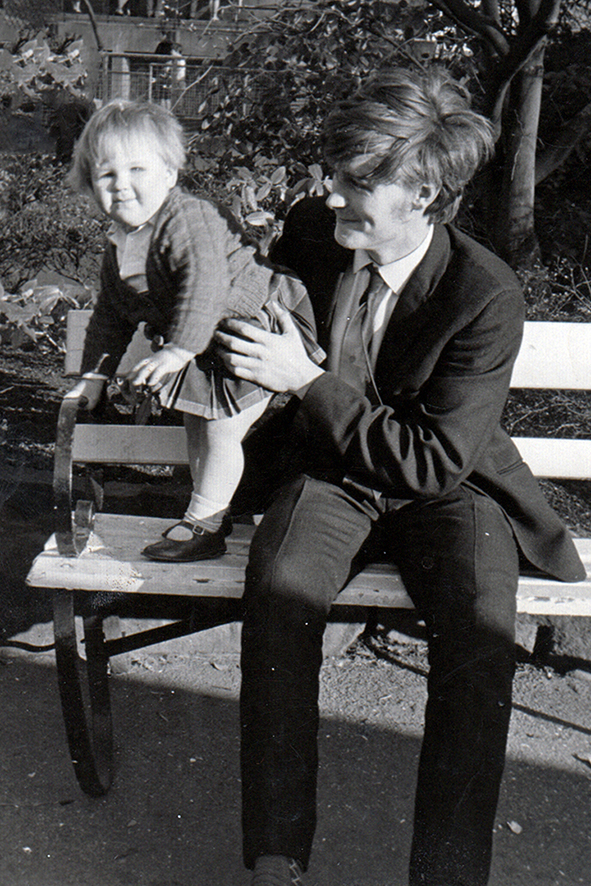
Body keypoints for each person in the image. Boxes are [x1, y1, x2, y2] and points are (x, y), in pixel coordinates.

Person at [215, 66, 586, 886]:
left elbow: (431, 460)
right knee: (276, 598)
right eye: (336, 175)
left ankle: (447, 873)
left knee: (481, 635)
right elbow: (247, 318)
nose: (333, 193)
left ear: (422, 193)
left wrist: (307, 383)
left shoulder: (483, 293)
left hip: (446, 488)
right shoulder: (314, 231)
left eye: (358, 182)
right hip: (333, 473)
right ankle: (275, 862)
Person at [66, 99, 323, 563]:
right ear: (89, 184)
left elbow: (205, 285)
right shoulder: (119, 246)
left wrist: (176, 350)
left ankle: (204, 524)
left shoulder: (189, 219)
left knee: (222, 431)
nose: (121, 186)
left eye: (137, 170)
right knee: (196, 426)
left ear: (169, 173)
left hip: (252, 330)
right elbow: (111, 315)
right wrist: (95, 376)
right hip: (201, 345)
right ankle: (208, 515)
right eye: (106, 175)